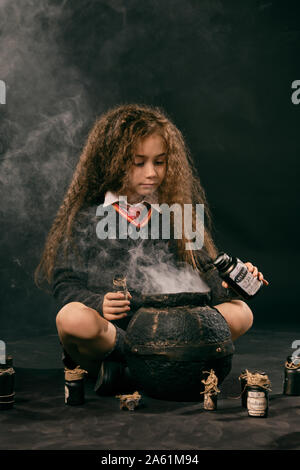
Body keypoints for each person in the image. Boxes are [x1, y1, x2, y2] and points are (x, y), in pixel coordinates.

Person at [34, 103, 268, 388]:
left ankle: (126, 373)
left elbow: (205, 273)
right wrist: (100, 304)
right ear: (113, 161)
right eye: (139, 162)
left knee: (241, 312)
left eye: (159, 161)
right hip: (115, 332)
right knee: (72, 318)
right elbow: (65, 284)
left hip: (170, 333)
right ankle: (154, 370)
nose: (152, 173)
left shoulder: (180, 215)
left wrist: (230, 283)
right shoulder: (86, 217)